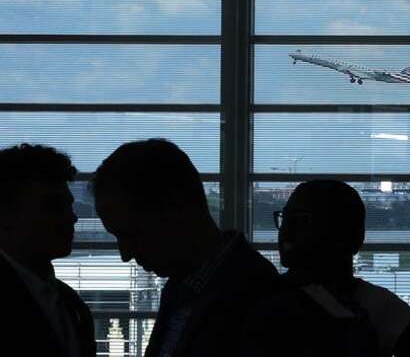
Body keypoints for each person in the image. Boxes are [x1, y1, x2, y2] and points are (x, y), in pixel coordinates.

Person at [91, 139, 279, 357]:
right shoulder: (184, 288)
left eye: (131, 233)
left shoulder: (260, 300)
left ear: (176, 207)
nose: (125, 254)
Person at [242, 180, 410, 357]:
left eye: (302, 220)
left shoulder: (254, 300)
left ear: (347, 235)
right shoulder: (385, 310)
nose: (286, 230)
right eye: (285, 219)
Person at [0, 144, 96, 357]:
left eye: (68, 206)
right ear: (5, 216)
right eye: (53, 207)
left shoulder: (71, 305)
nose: (71, 217)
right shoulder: (71, 306)